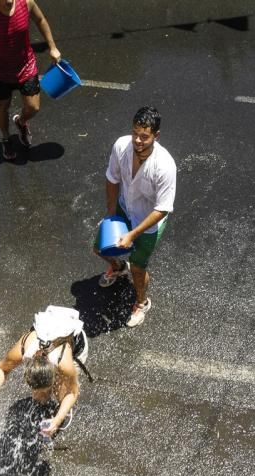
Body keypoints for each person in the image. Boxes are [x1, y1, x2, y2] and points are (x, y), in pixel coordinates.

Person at [94, 106, 177, 328]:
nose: (138, 141)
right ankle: (119, 267)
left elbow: (163, 208)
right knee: (100, 247)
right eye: (135, 134)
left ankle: (141, 302)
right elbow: (112, 179)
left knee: (138, 268)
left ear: (156, 136)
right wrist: (111, 216)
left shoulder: (165, 166)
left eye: (144, 137)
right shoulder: (121, 146)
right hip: (124, 208)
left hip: (149, 222)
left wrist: (132, 234)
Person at [0, 0, 61, 161]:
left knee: (33, 107)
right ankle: (6, 138)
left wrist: (52, 47)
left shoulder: (26, 3)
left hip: (26, 66)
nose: (9, 1)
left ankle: (21, 121)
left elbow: (40, 20)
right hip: (0, 71)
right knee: (3, 105)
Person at [0, 306, 90, 438]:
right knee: (41, 396)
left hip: (76, 344)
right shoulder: (25, 347)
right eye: (34, 390)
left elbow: (73, 392)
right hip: (48, 331)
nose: (35, 394)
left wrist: (58, 420)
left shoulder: (64, 363)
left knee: (62, 394)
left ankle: (56, 418)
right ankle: (44, 405)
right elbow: (2, 368)